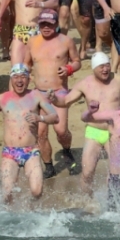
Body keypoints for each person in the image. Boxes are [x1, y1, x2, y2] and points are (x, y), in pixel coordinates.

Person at [0, 64, 58, 203]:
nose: (19, 80)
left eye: (23, 76)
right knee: (7, 194)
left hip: (31, 151)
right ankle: (11, 220)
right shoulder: (1, 99)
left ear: (29, 79)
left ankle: (29, 209)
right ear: (11, 79)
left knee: (37, 191)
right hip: (10, 152)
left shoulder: (36, 96)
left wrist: (40, 118)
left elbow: (55, 116)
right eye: (16, 77)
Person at [49, 52, 120, 181]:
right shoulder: (84, 84)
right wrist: (54, 99)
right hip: (93, 132)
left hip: (114, 131)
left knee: (117, 173)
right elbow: (65, 102)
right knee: (87, 173)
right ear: (94, 68)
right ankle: (88, 201)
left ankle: (113, 199)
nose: (105, 69)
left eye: (107, 65)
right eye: (101, 66)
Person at [24, 10, 81, 175]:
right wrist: (22, 77)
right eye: (43, 24)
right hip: (38, 93)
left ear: (56, 24)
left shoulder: (66, 41)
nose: (46, 27)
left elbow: (77, 62)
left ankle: (67, 150)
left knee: (61, 130)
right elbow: (27, 64)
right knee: (41, 133)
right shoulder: (32, 42)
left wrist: (69, 68)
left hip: (59, 92)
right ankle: (49, 166)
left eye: (49, 24)